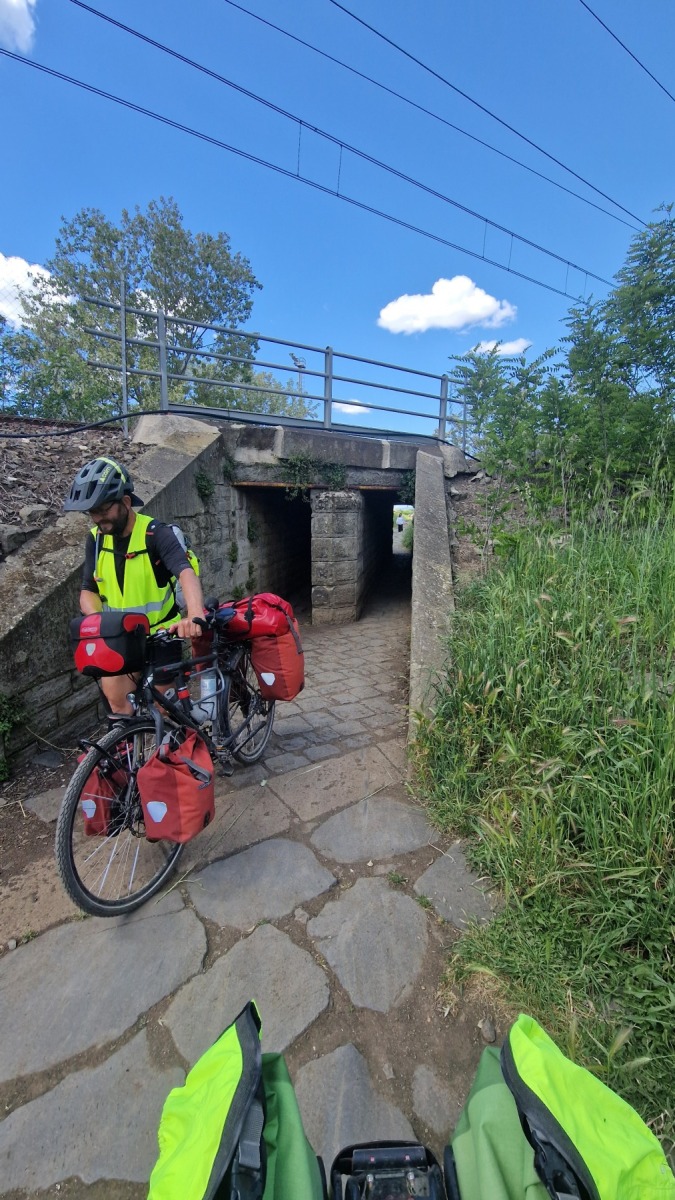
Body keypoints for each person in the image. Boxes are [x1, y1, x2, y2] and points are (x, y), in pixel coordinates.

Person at [64, 456, 205, 714]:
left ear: (126, 503)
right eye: (92, 512)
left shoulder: (155, 533)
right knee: (118, 706)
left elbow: (185, 573)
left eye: (103, 510)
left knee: (162, 711)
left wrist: (194, 614)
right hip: (121, 638)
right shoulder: (96, 539)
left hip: (162, 634)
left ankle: (183, 733)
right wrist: (98, 624)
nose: (98, 519)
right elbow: (88, 590)